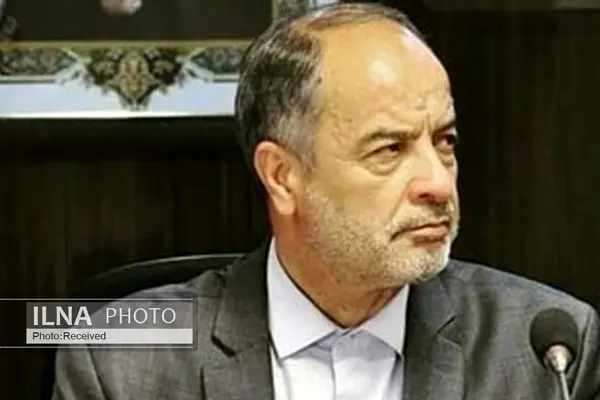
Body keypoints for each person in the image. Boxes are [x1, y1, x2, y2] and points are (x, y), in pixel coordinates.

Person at [52, 3, 600, 399]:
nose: (438, 182)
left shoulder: (546, 354)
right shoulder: (121, 358)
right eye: (390, 149)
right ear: (282, 176)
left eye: (445, 141)